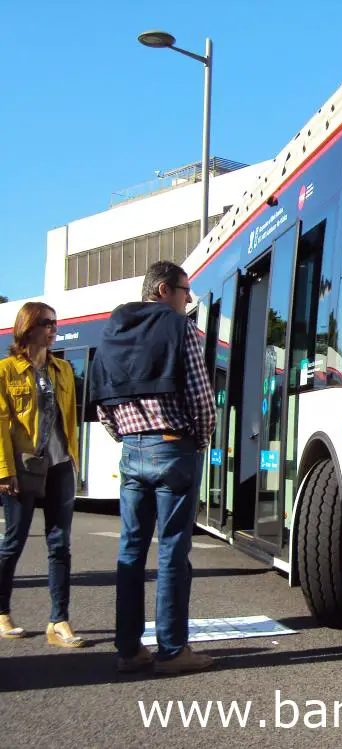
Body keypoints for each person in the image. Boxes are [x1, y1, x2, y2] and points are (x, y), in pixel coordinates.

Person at [89, 261, 216, 675]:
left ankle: (129, 649)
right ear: (164, 290)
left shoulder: (112, 332)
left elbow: (102, 401)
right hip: (172, 446)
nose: (187, 301)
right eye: (185, 291)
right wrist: (198, 442)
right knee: (173, 551)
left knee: (131, 549)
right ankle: (172, 649)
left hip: (131, 449)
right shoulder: (179, 329)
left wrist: (127, 436)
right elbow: (201, 397)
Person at [0, 302, 85, 647]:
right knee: (14, 541)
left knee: (59, 543)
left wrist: (74, 462)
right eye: (47, 323)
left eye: (55, 323)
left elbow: (70, 419)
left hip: (60, 465)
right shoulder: (5, 371)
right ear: (28, 327)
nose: (54, 329)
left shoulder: (62, 369)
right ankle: (2, 611)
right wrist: (4, 471)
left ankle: (59, 621)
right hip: (22, 468)